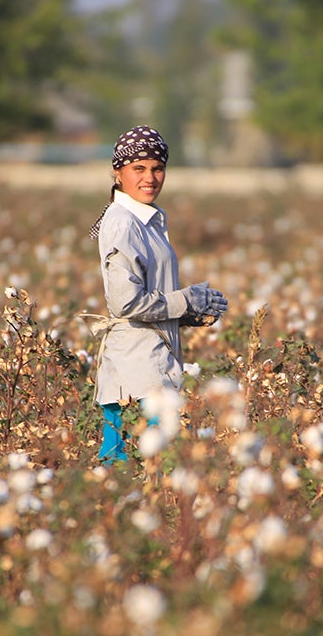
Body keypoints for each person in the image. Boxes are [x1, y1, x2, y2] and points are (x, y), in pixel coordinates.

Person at [87, 125, 228, 464]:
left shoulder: (146, 220)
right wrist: (185, 300)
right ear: (118, 173)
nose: (150, 177)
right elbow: (126, 302)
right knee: (138, 470)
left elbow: (149, 295)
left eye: (157, 168)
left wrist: (188, 313)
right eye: (139, 168)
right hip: (135, 372)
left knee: (143, 473)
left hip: (149, 363)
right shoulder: (123, 221)